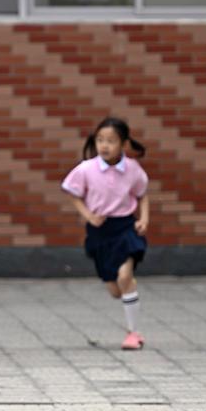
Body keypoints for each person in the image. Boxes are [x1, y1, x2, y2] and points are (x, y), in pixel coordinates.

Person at [61, 116, 150, 350]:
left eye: (111, 140)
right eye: (100, 140)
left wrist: (144, 218)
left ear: (123, 143)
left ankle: (133, 333)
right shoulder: (87, 169)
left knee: (124, 277)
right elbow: (72, 193)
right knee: (114, 289)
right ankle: (128, 290)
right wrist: (89, 216)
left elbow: (142, 193)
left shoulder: (132, 169)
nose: (104, 145)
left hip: (125, 228)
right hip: (100, 232)